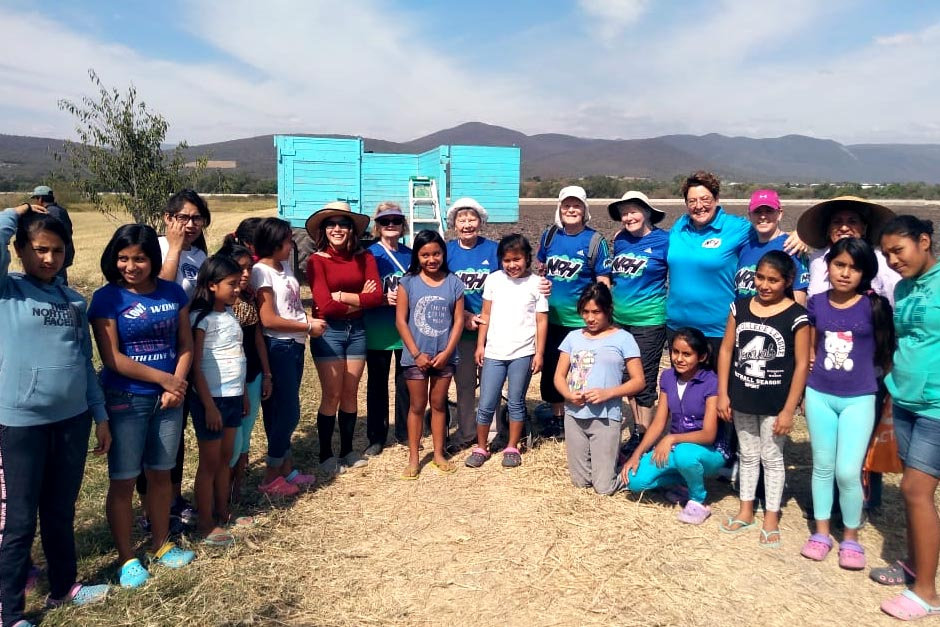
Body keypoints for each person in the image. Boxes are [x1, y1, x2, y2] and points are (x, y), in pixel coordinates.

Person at [0, 203, 110, 626]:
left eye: (58, 251)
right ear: (19, 249)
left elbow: (83, 361)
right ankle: (11, 611)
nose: (49, 259)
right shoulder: (7, 291)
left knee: (60, 509)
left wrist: (99, 414)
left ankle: (63, 590)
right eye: (40, 249)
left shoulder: (73, 301)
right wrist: (17, 210)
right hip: (20, 424)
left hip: (73, 419)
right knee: (20, 519)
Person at [88, 224, 195, 589]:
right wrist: (165, 380)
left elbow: (185, 344)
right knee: (124, 479)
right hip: (126, 399)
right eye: (122, 258)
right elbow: (113, 359)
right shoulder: (106, 299)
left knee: (161, 474)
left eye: (139, 258)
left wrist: (177, 384)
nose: (130, 266)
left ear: (153, 258)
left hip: (170, 399)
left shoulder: (172, 293)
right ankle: (127, 557)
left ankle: (162, 543)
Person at [798, 196, 900, 515]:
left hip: (865, 369)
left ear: (865, 229)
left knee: (861, 442)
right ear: (828, 231)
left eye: (852, 221)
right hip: (825, 372)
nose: (844, 227)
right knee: (828, 453)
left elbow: (891, 315)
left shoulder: (881, 263)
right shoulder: (817, 261)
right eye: (838, 222)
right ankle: (829, 510)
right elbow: (812, 315)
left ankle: (864, 502)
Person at [800, 238, 894, 570]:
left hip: (860, 398)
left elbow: (887, 352)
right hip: (819, 395)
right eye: (839, 265)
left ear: (865, 272)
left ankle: (851, 538)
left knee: (848, 472)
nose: (845, 273)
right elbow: (812, 346)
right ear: (828, 266)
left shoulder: (875, 306)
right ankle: (822, 533)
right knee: (823, 467)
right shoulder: (817, 303)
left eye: (854, 267)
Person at [717, 251, 810, 546]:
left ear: (788, 281)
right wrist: (723, 393)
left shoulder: (797, 316)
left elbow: (801, 364)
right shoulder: (740, 307)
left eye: (773, 280)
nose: (765, 285)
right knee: (747, 454)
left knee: (771, 457)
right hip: (742, 395)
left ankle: (771, 515)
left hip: (775, 401)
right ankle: (746, 509)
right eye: (760, 277)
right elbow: (727, 350)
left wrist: (789, 409)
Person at [876, 216, 940, 620]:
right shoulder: (902, 288)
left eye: (899, 251)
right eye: (887, 255)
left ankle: (927, 593)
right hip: (905, 399)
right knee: (914, 491)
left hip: (937, 405)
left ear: (924, 241)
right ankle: (916, 566)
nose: (893, 260)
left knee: (916, 491)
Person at [667, 171, 803, 359]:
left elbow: (768, 229)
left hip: (718, 332)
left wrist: (800, 234)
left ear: (716, 199)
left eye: (705, 199)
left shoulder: (737, 227)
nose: (699, 206)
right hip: (677, 328)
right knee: (681, 388)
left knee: (718, 387)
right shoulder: (678, 226)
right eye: (692, 201)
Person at [138, 189, 212, 526]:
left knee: (173, 430)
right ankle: (146, 506)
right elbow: (158, 294)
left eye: (197, 218)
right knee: (142, 432)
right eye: (184, 217)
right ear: (168, 218)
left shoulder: (199, 256)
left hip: (180, 353)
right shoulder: (154, 247)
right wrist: (175, 249)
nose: (191, 224)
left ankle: (173, 498)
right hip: (145, 353)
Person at [621, 328, 731, 524]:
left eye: (687, 354)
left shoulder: (711, 382)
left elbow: (709, 434)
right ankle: (682, 482)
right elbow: (659, 421)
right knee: (635, 480)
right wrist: (636, 455)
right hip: (678, 448)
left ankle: (698, 500)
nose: (679, 358)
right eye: (675, 352)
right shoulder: (668, 377)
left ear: (702, 356)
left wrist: (672, 438)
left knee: (684, 455)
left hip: (710, 451)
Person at [305, 201, 382, 475]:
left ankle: (347, 450)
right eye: (331, 224)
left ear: (352, 230)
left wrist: (345, 298)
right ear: (323, 230)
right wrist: (360, 300)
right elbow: (324, 306)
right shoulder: (316, 262)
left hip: (357, 330)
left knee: (350, 392)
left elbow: (377, 297)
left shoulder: (365, 258)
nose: (337, 229)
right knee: (332, 393)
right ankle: (326, 453)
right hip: (330, 332)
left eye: (343, 224)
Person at [252, 218, 326, 496]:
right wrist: (308, 326)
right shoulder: (261, 272)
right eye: (286, 240)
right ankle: (271, 474)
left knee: (278, 412)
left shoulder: (283, 268)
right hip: (278, 346)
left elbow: (290, 308)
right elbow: (269, 319)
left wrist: (307, 321)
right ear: (273, 242)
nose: (291, 245)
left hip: (293, 345)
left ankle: (286, 468)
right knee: (289, 412)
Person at [466, 234, 548, 469]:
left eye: (517, 259)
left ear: (527, 258)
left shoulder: (536, 284)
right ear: (500, 260)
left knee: (515, 402)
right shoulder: (493, 281)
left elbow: (541, 321)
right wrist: (480, 344)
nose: (512, 265)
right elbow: (486, 315)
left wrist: (539, 353)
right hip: (494, 352)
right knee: (487, 402)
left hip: (522, 352)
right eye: (507, 260)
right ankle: (481, 446)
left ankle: (512, 446)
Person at [554, 283, 644, 495]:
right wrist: (567, 394)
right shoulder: (573, 337)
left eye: (596, 312)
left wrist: (608, 393)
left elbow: (639, 381)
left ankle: (641, 468)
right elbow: (559, 376)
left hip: (605, 417)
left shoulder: (624, 339)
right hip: (574, 416)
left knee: (603, 487)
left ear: (608, 310)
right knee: (580, 482)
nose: (590, 318)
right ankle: (610, 459)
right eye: (585, 312)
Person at [538, 186, 611, 437]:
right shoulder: (549, 236)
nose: (571, 210)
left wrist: (601, 317)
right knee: (552, 369)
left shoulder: (595, 241)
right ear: (559, 208)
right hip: (551, 318)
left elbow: (603, 281)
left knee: (580, 370)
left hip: (580, 320)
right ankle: (557, 417)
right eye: (566, 205)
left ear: (584, 209)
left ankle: (579, 415)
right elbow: (540, 268)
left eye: (576, 205)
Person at [188, 255, 248, 547]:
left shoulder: (229, 314)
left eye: (238, 284)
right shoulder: (200, 319)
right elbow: (196, 366)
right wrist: (209, 405)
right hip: (211, 401)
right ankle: (205, 522)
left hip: (233, 397)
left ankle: (223, 512)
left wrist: (244, 393)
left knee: (226, 459)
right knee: (209, 463)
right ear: (212, 285)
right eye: (231, 284)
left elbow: (238, 354)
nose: (237, 289)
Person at [395, 230, 465, 479]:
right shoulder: (408, 282)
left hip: (443, 357)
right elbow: (401, 321)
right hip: (416, 358)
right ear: (417, 256)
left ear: (443, 254)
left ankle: (438, 453)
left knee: (438, 404)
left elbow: (458, 322)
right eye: (425, 254)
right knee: (416, 406)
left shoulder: (454, 282)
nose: (431, 259)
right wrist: (416, 353)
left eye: (436, 253)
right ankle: (414, 457)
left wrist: (447, 352)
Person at [607, 191, 669, 443]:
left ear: (647, 213)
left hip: (649, 320)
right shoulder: (620, 240)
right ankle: (637, 429)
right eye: (624, 213)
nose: (628, 217)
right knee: (627, 375)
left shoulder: (665, 240)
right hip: (620, 319)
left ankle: (647, 435)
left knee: (644, 376)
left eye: (633, 211)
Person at [217, 237, 271, 502]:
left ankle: (236, 495)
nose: (246, 274)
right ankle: (222, 499)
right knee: (232, 442)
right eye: (240, 269)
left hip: (254, 375)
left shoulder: (249, 297)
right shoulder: (219, 305)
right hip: (230, 382)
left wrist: (267, 373)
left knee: (245, 438)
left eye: (249, 267)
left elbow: (257, 337)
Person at [445, 197, 499, 452]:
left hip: (493, 328)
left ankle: (493, 432)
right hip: (460, 330)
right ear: (454, 223)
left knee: (492, 382)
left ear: (481, 221)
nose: (467, 224)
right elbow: (441, 288)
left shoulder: (493, 250)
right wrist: (465, 316)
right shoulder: (447, 251)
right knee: (465, 384)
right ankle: (466, 432)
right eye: (462, 220)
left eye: (472, 219)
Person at [364, 202, 412, 454]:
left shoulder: (410, 254)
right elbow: (361, 290)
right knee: (377, 384)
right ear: (377, 226)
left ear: (402, 224)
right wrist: (382, 298)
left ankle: (404, 432)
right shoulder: (369, 255)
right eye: (385, 221)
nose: (390, 225)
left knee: (405, 383)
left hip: (404, 330)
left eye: (395, 220)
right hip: (378, 329)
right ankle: (376, 437)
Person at [733, 189, 809, 305]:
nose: (763, 216)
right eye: (757, 212)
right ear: (750, 215)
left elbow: (799, 303)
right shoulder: (745, 248)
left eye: (769, 211)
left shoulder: (792, 247)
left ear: (780, 214)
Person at [29, 185, 74, 283]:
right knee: (60, 284)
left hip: (53, 256)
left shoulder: (47, 213)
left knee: (53, 285)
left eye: (36, 199)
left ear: (40, 199)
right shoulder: (61, 210)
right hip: (63, 254)